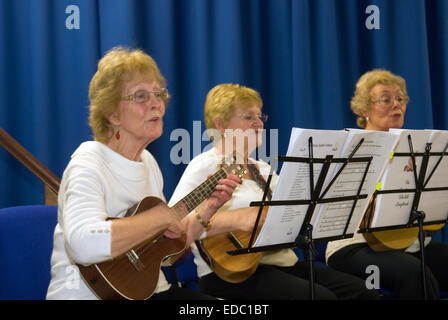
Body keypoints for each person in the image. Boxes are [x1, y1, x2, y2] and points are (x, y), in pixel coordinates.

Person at [46, 47, 240, 300]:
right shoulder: (87, 163)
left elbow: (164, 251)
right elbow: (83, 245)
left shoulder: (147, 161)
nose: (156, 103)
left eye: (158, 94)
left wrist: (208, 208)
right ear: (112, 114)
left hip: (150, 291)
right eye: (140, 96)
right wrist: (160, 217)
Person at [168, 83, 380, 300]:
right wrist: (238, 220)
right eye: (249, 116)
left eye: (260, 116)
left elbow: (291, 212)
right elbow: (175, 230)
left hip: (282, 262)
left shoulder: (263, 169)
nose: (258, 123)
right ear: (221, 125)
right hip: (231, 274)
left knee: (363, 291)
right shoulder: (204, 165)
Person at [326, 69, 448, 299]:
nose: (396, 105)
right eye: (386, 99)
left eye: (400, 98)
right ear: (364, 109)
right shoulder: (350, 148)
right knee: (415, 274)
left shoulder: (415, 147)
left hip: (407, 242)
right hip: (355, 247)